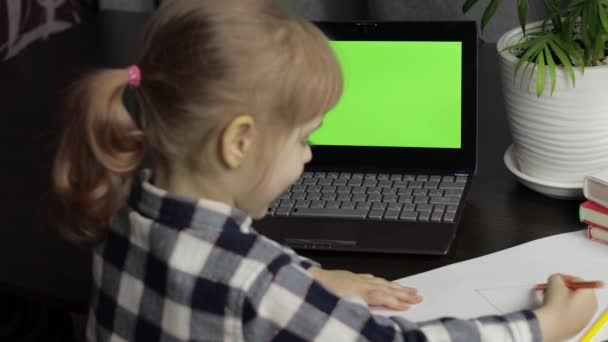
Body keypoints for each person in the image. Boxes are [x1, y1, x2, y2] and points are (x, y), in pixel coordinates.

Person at [52, 0, 597, 341]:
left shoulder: (123, 214)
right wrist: (544, 327)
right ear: (239, 142)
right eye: (304, 137)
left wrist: (311, 277)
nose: (309, 156)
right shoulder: (258, 288)